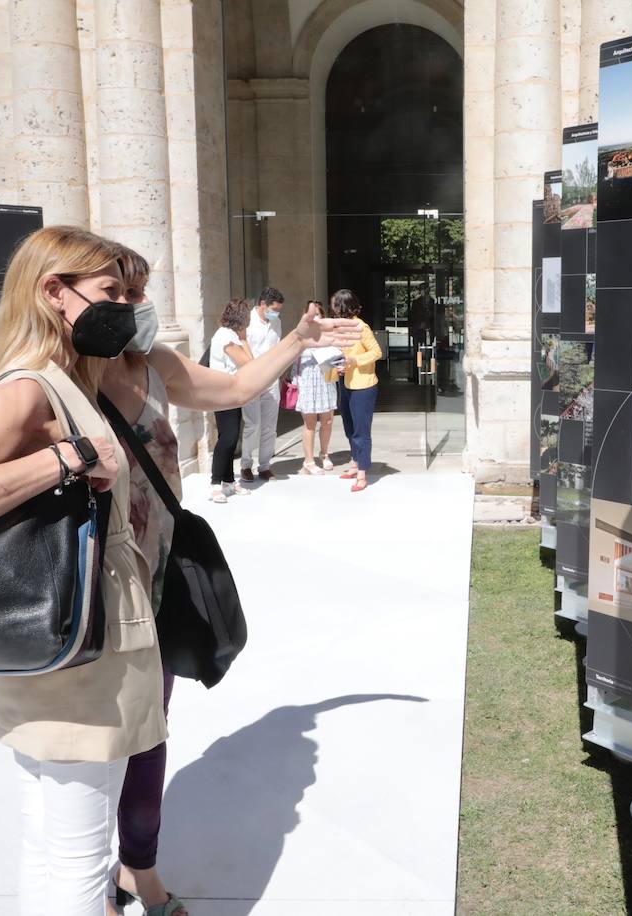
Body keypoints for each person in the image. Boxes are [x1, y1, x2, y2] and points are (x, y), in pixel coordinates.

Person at [0, 226, 165, 915]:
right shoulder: (26, 387)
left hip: (62, 641)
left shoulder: (59, 376)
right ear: (54, 292)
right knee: (81, 858)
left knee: (48, 836)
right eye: (108, 292)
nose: (124, 305)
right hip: (75, 656)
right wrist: (73, 457)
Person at [102, 254, 358, 915]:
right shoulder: (53, 378)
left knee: (148, 737)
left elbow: (235, 388)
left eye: (139, 291)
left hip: (152, 585)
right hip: (86, 593)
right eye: (117, 291)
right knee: (89, 752)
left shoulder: (152, 361)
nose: (134, 303)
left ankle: (137, 869)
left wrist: (299, 341)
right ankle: (85, 882)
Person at [331, 288, 380, 492]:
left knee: (361, 430)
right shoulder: (340, 328)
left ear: (342, 306)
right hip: (346, 382)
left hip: (363, 385)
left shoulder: (362, 327)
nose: (332, 308)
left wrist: (354, 360)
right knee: (349, 426)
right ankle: (355, 462)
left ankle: (362, 473)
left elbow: (377, 352)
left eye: (334, 304)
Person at [208, 299, 253, 502]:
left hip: (230, 392)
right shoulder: (226, 336)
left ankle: (228, 482)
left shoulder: (227, 334)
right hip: (222, 392)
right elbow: (249, 363)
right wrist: (244, 340)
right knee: (227, 438)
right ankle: (216, 483)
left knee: (231, 437)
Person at [240, 287, 284, 482]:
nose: (276, 313)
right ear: (263, 304)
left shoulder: (276, 322)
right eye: (274, 309)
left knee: (270, 427)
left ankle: (265, 465)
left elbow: (278, 348)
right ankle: (246, 464)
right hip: (251, 379)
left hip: (271, 380)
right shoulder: (246, 322)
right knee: (252, 425)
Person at [292, 299, 338, 474]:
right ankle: (309, 461)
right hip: (307, 383)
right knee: (309, 423)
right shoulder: (300, 335)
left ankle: (324, 454)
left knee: (327, 421)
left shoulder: (328, 336)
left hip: (325, 381)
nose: (316, 318)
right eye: (312, 314)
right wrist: (295, 383)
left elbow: (333, 361)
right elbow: (293, 361)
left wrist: (332, 363)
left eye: (318, 314)